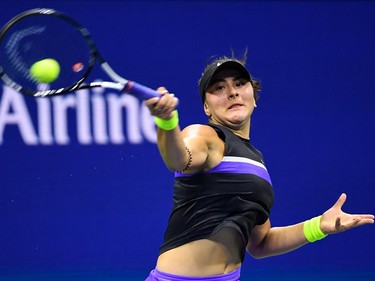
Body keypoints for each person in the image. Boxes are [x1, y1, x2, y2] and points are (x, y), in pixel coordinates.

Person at [144, 53, 374, 281]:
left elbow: (260, 244)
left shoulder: (257, 163)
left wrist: (319, 226)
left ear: (254, 97)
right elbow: (178, 160)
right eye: (219, 88)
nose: (232, 92)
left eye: (239, 84)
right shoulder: (203, 135)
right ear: (206, 107)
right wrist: (167, 122)